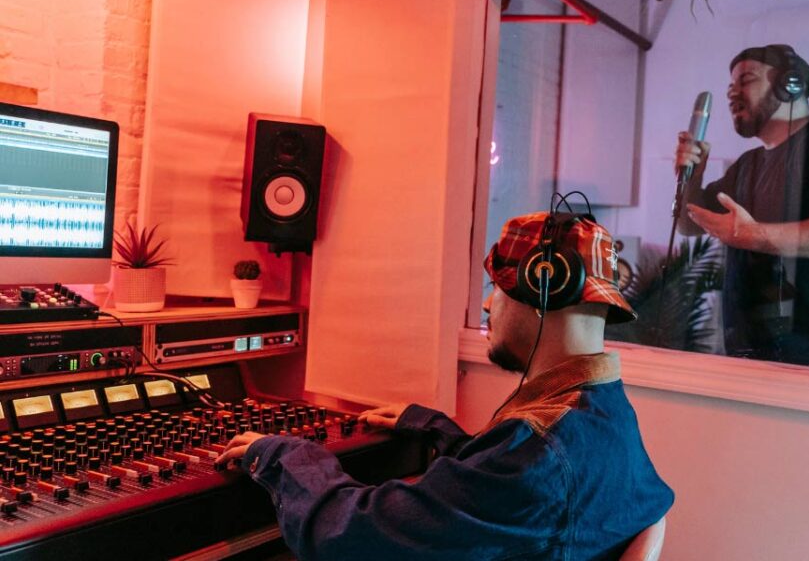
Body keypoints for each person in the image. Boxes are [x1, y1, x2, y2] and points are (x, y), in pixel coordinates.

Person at [216, 210, 674, 560]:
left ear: (543, 289)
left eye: (499, 287)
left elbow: (349, 536)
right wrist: (437, 427)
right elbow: (507, 498)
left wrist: (284, 453)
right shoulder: (604, 414)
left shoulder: (536, 453)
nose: (489, 304)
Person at [674, 44, 809, 367]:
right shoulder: (747, 165)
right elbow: (690, 223)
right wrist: (692, 175)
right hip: (747, 354)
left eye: (746, 80)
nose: (733, 94)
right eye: (729, 88)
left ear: (789, 85)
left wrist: (752, 236)